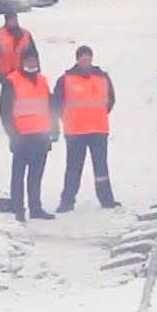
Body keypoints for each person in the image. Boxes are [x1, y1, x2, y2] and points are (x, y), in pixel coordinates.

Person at [52, 45, 120, 211]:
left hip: (98, 130)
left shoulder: (103, 78)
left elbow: (110, 100)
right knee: (73, 169)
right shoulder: (66, 79)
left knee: (101, 168)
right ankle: (67, 201)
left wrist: (99, 115)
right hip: (76, 131)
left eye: (88, 59)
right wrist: (67, 118)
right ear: (77, 60)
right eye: (83, 59)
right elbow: (56, 103)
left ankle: (106, 200)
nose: (86, 62)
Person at [0, 51, 57, 221]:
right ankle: (18, 209)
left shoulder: (42, 80)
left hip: (41, 135)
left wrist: (54, 128)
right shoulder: (12, 81)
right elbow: (5, 111)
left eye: (34, 60)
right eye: (29, 60)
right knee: (18, 175)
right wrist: (12, 134)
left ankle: (35, 207)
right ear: (22, 62)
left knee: (36, 175)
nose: (32, 63)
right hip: (21, 136)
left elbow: (50, 106)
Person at [0, 12, 36, 86]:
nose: (12, 21)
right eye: (10, 19)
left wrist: (36, 71)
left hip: (21, 73)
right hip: (5, 74)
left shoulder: (26, 34)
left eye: (14, 19)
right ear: (6, 20)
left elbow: (33, 54)